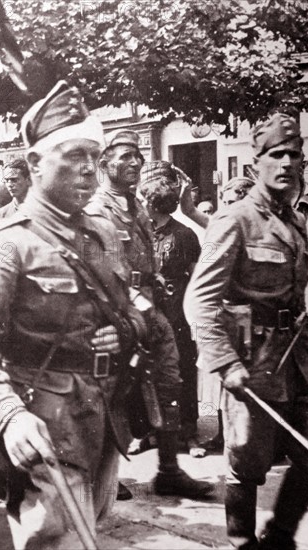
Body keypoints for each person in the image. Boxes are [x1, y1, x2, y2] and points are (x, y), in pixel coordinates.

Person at [0, 81, 148, 550]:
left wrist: (127, 329)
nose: (88, 172)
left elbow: (136, 307)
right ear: (35, 163)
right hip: (43, 424)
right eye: (73, 156)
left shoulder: (101, 235)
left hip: (102, 417)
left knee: (88, 533)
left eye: (93, 159)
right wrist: (9, 416)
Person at [184, 113, 308, 550]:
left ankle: (278, 537)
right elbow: (200, 299)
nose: (286, 163)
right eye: (276, 155)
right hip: (253, 360)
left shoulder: (295, 222)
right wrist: (224, 362)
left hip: (300, 358)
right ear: (255, 163)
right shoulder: (235, 219)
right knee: (247, 462)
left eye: (294, 155)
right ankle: (242, 543)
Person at [86, 130, 214, 498]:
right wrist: (137, 306)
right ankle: (108, 478)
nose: (135, 162)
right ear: (104, 163)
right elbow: (103, 272)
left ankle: (169, 470)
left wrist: (155, 281)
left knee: (169, 382)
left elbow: (143, 260)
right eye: (125, 156)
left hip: (148, 307)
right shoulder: (97, 210)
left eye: (138, 156)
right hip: (115, 313)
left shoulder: (136, 207)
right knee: (114, 392)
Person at [138, 161, 206, 458]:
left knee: (183, 373)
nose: (142, 203)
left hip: (178, 316)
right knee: (147, 373)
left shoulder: (185, 234)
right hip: (147, 315)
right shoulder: (140, 232)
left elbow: (197, 278)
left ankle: (189, 434)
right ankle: (151, 432)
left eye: (145, 199)